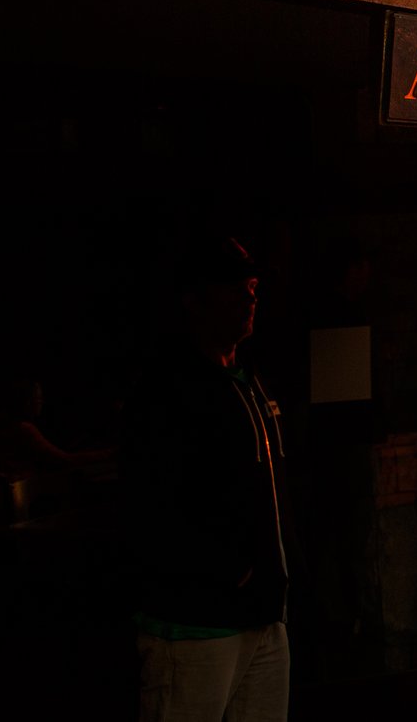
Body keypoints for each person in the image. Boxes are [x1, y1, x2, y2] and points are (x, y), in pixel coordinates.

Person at [124, 233, 291, 722]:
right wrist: (224, 571)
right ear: (194, 299)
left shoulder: (248, 381)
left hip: (261, 618)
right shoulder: (166, 390)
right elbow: (150, 503)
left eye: (253, 286)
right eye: (235, 287)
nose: (250, 296)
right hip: (195, 625)